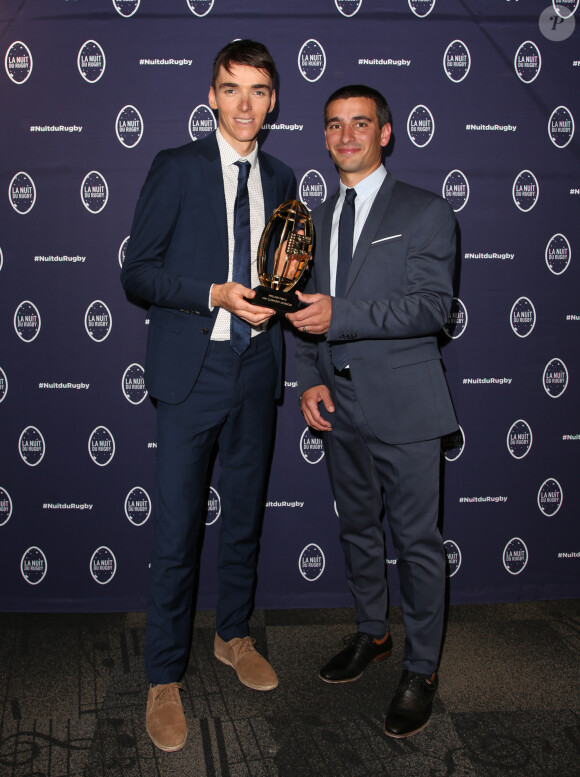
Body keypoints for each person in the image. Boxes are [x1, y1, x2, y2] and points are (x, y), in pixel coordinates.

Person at [121, 39, 295, 753]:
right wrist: (214, 294)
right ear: (213, 95)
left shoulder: (282, 176)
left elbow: (285, 272)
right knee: (177, 531)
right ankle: (164, 676)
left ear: (274, 99)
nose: (245, 104)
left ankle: (232, 635)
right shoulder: (177, 167)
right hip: (192, 371)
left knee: (246, 516)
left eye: (258, 90)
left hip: (257, 370)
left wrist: (282, 306)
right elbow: (138, 274)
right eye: (232, 89)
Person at [287, 85, 458, 738]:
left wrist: (344, 315)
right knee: (358, 529)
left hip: (407, 408)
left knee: (416, 543)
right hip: (340, 408)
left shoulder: (426, 210)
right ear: (325, 137)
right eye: (335, 125)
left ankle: (422, 667)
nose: (347, 135)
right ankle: (371, 632)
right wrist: (307, 377)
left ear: (386, 133)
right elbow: (302, 311)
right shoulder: (317, 218)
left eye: (361, 123)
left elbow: (430, 307)